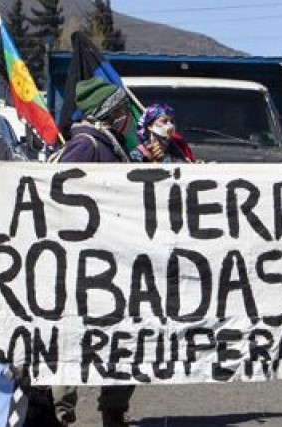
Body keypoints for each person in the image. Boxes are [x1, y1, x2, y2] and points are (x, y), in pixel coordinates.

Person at [50, 76, 136, 427]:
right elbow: (58, 195)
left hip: (113, 260)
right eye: (122, 110)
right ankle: (61, 410)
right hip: (86, 262)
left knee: (122, 338)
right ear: (111, 112)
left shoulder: (112, 146)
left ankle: (113, 407)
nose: (127, 117)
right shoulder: (85, 145)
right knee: (74, 338)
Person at [130, 103, 195, 163]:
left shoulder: (172, 144)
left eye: (172, 121)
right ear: (150, 126)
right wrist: (151, 159)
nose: (170, 125)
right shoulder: (137, 154)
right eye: (164, 121)